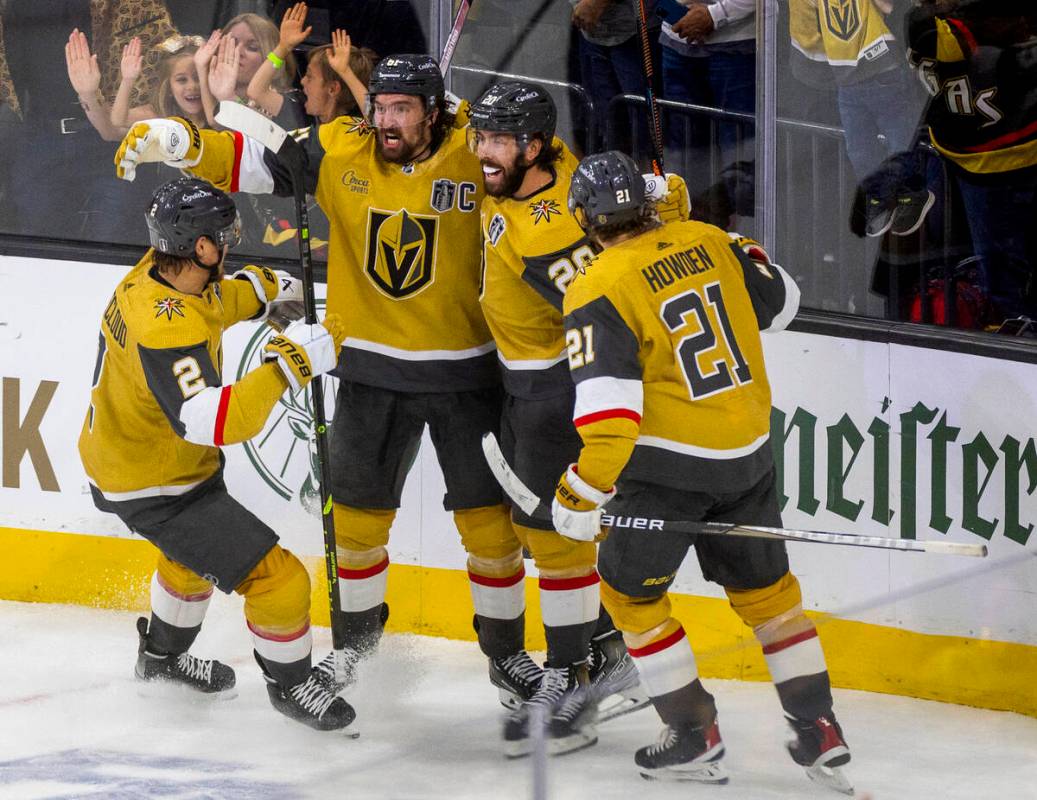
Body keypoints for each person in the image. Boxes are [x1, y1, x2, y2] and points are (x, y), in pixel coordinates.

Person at [111, 55, 539, 715]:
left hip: (465, 368)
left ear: (431, 110)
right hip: (367, 368)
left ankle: (507, 654)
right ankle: (356, 648)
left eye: (402, 109)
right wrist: (186, 144)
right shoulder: (341, 146)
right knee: (358, 531)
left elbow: (542, 171)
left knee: (491, 532)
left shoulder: (470, 154)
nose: (386, 120)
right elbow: (257, 168)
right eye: (381, 106)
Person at [553, 151, 852, 790]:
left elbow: (610, 421)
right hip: (748, 458)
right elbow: (783, 302)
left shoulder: (594, 284)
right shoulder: (712, 240)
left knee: (631, 598)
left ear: (584, 219)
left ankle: (692, 734)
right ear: (647, 201)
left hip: (668, 474)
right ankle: (819, 727)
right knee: (771, 601)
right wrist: (697, 228)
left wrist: (581, 492)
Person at [77, 176, 352, 732]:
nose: (229, 242)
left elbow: (209, 302)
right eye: (223, 236)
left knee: (189, 561)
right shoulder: (163, 325)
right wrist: (288, 364)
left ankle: (161, 661)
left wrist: (266, 287)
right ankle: (293, 687)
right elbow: (212, 422)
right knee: (280, 581)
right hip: (156, 483)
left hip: (140, 465)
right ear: (200, 247)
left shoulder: (159, 277)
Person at [470, 80, 692, 756]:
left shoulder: (550, 227)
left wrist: (665, 223)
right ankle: (600, 649)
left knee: (552, 532)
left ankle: (576, 677)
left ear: (534, 147)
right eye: (482, 137)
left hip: (555, 390)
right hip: (525, 382)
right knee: (533, 526)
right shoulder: (545, 171)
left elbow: (603, 299)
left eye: (498, 141)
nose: (482, 151)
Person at [907, 0, 1037, 320]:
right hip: (997, 161)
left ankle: (1013, 321)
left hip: (980, 165)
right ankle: (1015, 325)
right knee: (1002, 271)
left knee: (1001, 268)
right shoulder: (981, 29)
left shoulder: (924, 23)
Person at [248, 4, 375, 125]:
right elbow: (256, 91)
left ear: (332, 89)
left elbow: (377, 119)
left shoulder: (358, 128)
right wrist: (283, 48)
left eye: (310, 76)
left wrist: (345, 72)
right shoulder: (302, 114)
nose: (302, 81)